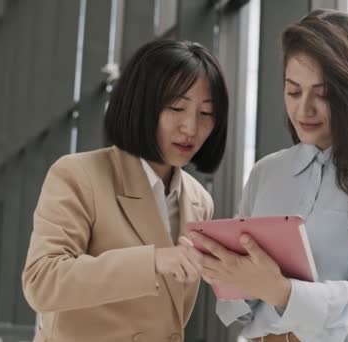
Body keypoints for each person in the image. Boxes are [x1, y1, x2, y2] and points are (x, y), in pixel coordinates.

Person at [190, 9, 348, 342]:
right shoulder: (267, 172)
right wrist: (224, 271)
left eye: (323, 95)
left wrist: (280, 290)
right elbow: (241, 306)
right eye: (293, 92)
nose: (303, 110)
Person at [21, 39, 228, 342]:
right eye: (177, 107)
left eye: (206, 113)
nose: (191, 128)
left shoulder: (199, 201)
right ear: (142, 106)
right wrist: (154, 261)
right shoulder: (79, 175)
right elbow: (43, 281)